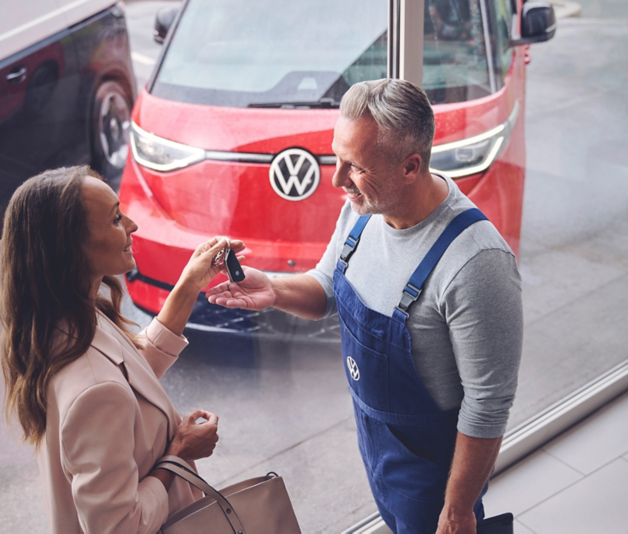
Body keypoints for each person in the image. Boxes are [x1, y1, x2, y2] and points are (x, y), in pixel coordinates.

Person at [207, 79, 522, 534]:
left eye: (353, 166)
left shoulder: (475, 263)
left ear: (411, 167)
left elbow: (488, 404)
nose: (336, 180)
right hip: (375, 445)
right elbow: (327, 287)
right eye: (338, 158)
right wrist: (272, 289)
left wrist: (457, 511)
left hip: (434, 476)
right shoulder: (362, 210)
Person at [0, 166, 243, 533]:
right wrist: (178, 453)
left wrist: (190, 284)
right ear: (71, 247)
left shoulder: (64, 323)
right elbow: (118, 528)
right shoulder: (93, 388)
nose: (132, 225)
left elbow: (130, 376)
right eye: (115, 218)